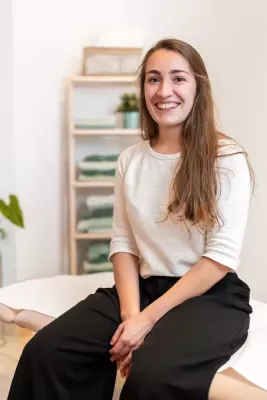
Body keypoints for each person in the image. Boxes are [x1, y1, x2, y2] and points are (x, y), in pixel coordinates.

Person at [8, 38, 254, 400]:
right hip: (143, 287)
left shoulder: (226, 157)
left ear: (198, 86)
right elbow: (123, 244)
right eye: (153, 79)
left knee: (151, 374)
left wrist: (147, 320)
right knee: (46, 350)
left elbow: (219, 258)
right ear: (142, 90)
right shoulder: (131, 160)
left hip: (209, 296)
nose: (164, 90)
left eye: (178, 78)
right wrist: (130, 316)